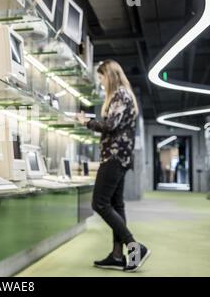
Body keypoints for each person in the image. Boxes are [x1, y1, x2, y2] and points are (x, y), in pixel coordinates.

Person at [77, 60, 151, 272]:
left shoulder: (119, 94)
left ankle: (134, 246)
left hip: (114, 156)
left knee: (99, 203)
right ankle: (118, 256)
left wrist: (86, 122)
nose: (100, 83)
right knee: (116, 205)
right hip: (123, 157)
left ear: (109, 75)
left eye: (101, 78)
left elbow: (110, 125)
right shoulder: (126, 95)